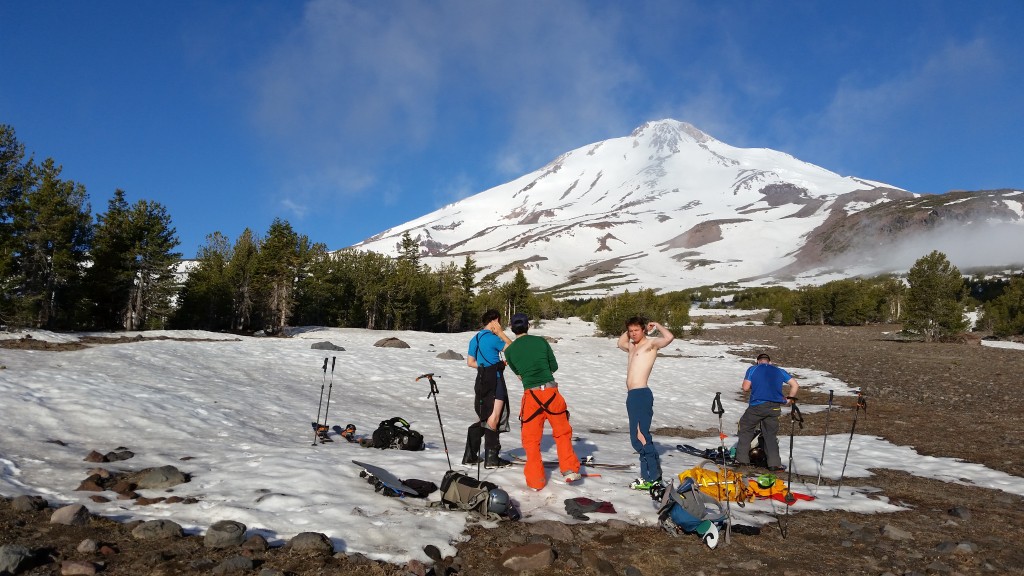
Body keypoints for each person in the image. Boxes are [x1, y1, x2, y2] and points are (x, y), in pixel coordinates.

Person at [504, 313, 582, 490]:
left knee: (531, 440)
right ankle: (569, 469)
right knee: (562, 433)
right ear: (528, 326)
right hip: (551, 393)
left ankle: (535, 481)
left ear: (512, 328)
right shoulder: (541, 342)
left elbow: (519, 373)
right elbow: (553, 367)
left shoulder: (509, 351)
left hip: (531, 397)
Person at [617, 316, 675, 491]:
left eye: (636, 330)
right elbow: (620, 343)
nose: (633, 334)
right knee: (638, 437)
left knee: (641, 437)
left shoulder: (650, 344)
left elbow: (669, 338)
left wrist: (656, 325)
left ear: (644, 330)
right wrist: (628, 330)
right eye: (630, 331)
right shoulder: (632, 347)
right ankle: (650, 476)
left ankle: (652, 478)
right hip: (632, 396)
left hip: (641, 394)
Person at [463, 309, 513, 468]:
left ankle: (470, 455)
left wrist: (485, 367)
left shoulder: (475, 338)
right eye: (499, 322)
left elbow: (470, 362)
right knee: (494, 417)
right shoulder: (493, 338)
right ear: (495, 320)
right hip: (496, 381)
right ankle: (492, 459)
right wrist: (501, 333)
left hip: (481, 380)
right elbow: (513, 350)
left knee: (484, 416)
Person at [734, 353, 800, 472]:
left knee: (746, 429)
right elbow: (795, 384)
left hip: (757, 406)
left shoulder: (753, 369)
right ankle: (774, 464)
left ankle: (742, 460)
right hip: (774, 407)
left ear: (758, 361)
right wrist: (789, 399)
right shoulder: (779, 370)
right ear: (770, 362)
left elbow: (745, 388)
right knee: (770, 435)